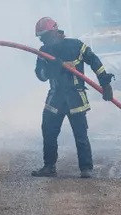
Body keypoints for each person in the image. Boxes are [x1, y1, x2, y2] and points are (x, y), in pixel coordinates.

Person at [32, 16, 115, 179]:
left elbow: (94, 61)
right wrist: (52, 69)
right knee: (48, 131)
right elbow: (40, 75)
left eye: (44, 36)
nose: (42, 40)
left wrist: (105, 83)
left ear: (54, 32)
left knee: (80, 134)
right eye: (40, 37)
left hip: (75, 96)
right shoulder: (43, 51)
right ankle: (49, 167)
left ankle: (86, 168)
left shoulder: (76, 45)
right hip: (56, 97)